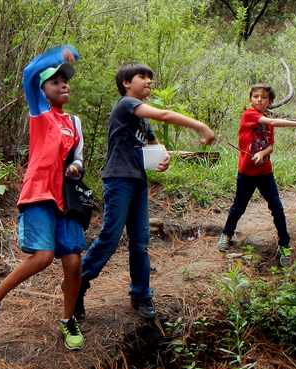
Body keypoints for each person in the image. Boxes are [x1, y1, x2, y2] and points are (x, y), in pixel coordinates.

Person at [74, 63, 215, 321]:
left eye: (151, 78)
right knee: (110, 237)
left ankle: (141, 294)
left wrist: (163, 158)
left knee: (140, 241)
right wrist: (200, 126)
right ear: (127, 83)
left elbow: (153, 143)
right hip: (118, 179)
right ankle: (76, 286)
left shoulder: (141, 118)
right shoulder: (126, 105)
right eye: (142, 77)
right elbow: (165, 115)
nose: (148, 81)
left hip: (138, 181)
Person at [0, 46, 86, 350]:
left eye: (65, 80)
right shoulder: (40, 113)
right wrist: (59, 55)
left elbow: (79, 158)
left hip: (65, 199)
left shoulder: (74, 123)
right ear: (43, 91)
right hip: (38, 193)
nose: (63, 84)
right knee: (43, 257)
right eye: (55, 81)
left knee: (73, 263)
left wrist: (75, 166)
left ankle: (67, 320)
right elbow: (28, 74)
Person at [217, 83, 296, 266]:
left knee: (277, 207)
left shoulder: (267, 121)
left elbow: (270, 146)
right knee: (239, 206)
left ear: (270, 101)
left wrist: (262, 153)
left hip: (265, 173)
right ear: (250, 99)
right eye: (256, 96)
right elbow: (273, 122)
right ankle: (227, 233)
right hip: (246, 173)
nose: (259, 99)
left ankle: (284, 245)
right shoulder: (249, 115)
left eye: (264, 97)